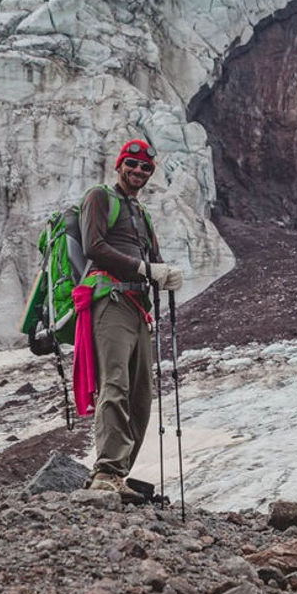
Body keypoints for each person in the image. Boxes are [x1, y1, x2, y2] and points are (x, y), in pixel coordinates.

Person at [80, 138, 183, 497]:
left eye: (145, 168)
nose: (138, 171)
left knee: (141, 396)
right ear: (119, 165)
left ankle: (118, 473)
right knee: (117, 384)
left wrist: (161, 272)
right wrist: (143, 267)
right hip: (110, 299)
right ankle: (106, 473)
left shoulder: (142, 214)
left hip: (137, 307)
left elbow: (151, 260)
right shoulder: (99, 198)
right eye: (132, 164)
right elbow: (93, 247)